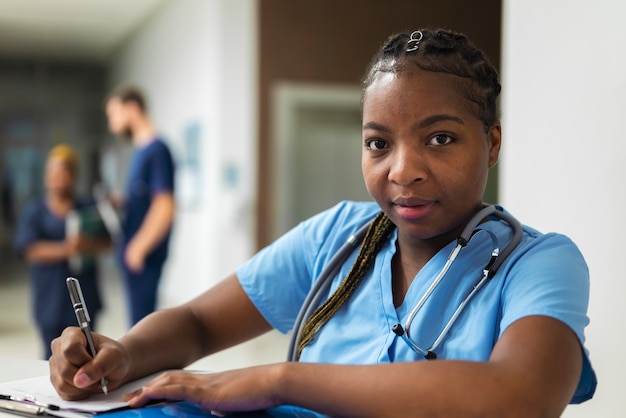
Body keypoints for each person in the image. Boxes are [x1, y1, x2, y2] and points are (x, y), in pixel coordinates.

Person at [50, 29, 597, 417]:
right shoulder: (336, 238)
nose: (403, 170)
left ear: (492, 142)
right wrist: (125, 353)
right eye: (378, 143)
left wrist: (278, 381)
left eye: (440, 138)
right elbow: (198, 322)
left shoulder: (538, 263)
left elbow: (520, 397)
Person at [13, 144, 110, 359]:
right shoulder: (35, 211)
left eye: (64, 171)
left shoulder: (88, 207)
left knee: (87, 351)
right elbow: (29, 249)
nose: (58, 177)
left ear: (73, 175)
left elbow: (109, 242)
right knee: (52, 355)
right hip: (50, 296)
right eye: (53, 172)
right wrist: (67, 249)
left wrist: (88, 245)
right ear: (46, 176)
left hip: (85, 292)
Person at [104, 86, 176, 326]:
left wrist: (139, 247)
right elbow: (146, 199)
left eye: (114, 115)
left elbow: (164, 206)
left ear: (132, 109)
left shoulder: (157, 150)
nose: (112, 124)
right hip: (134, 253)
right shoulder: (141, 151)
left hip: (144, 257)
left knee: (141, 328)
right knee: (136, 324)